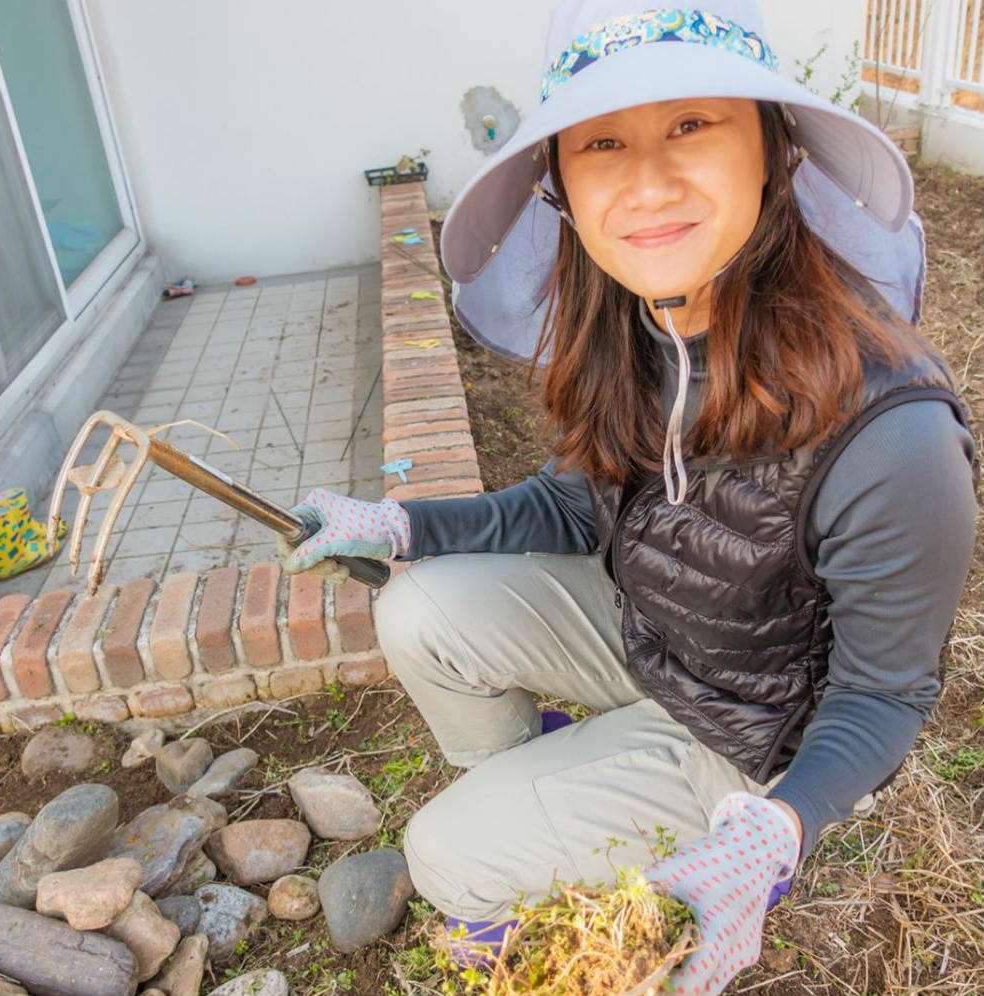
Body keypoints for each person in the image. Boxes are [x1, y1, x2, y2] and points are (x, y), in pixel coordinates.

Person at [283, 3, 978, 992]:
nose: (648, 183)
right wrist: (402, 524)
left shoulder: (894, 436)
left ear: (772, 151)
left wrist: (780, 825)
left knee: (443, 857)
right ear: (560, 185)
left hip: (767, 734)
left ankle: (644, 851)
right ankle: (544, 791)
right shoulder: (638, 326)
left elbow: (883, 693)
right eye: (602, 141)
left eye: (692, 123)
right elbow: (575, 504)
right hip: (663, 637)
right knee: (418, 606)